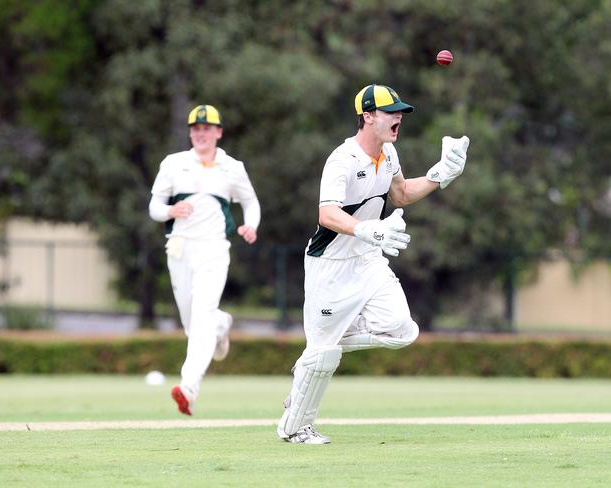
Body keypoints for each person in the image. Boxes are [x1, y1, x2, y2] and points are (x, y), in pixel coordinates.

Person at [277, 84, 469, 444]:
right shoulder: (343, 160)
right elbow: (327, 213)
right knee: (322, 356)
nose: (398, 117)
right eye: (390, 111)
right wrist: (367, 229)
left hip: (367, 260)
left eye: (400, 112)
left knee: (402, 329)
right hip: (330, 264)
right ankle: (294, 427)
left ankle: (319, 354)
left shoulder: (389, 154)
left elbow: (400, 194)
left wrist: (441, 174)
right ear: (367, 116)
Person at [149, 104, 260, 416]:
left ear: (218, 132)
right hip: (180, 249)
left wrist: (250, 225)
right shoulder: (174, 164)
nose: (201, 133)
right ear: (190, 133)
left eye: (207, 128)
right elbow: (155, 207)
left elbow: (251, 203)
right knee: (192, 323)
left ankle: (188, 388)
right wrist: (171, 211)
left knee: (200, 319)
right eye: (196, 128)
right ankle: (222, 324)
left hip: (214, 249)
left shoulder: (232, 167)